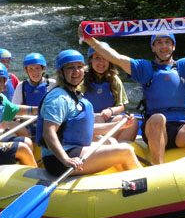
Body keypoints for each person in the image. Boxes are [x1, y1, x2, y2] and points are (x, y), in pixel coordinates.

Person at [79, 17, 185, 164]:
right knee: (158, 118)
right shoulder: (144, 68)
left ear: (173, 46)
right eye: (158, 43)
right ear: (153, 47)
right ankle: (157, 170)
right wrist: (91, 41)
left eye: (167, 42)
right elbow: (117, 57)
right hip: (155, 127)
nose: (163, 46)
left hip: (182, 129)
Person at [37, 49, 141, 177]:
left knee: (112, 142)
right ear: (60, 72)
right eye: (70, 68)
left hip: (72, 148)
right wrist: (65, 159)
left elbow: (83, 129)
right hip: (58, 159)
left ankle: (123, 180)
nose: (76, 71)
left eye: (79, 67)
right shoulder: (58, 99)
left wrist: (120, 126)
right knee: (126, 150)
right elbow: (49, 133)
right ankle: (147, 187)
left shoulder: (73, 94)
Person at [80, 44, 139, 142]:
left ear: (110, 60)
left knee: (133, 122)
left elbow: (121, 106)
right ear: (91, 60)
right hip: (87, 122)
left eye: (105, 58)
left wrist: (110, 111)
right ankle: (101, 149)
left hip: (108, 120)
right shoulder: (82, 78)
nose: (101, 62)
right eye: (97, 58)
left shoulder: (114, 79)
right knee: (98, 118)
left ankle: (119, 151)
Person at [12, 52, 55, 138]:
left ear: (44, 68)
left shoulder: (52, 84)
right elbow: (14, 110)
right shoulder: (21, 86)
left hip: (47, 125)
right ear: (26, 70)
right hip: (28, 125)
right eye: (31, 69)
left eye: (37, 68)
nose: (34, 72)